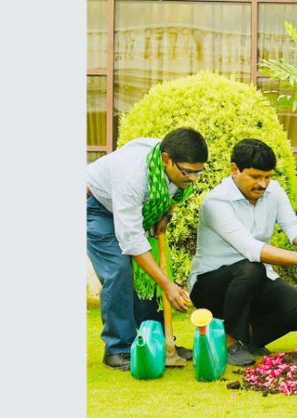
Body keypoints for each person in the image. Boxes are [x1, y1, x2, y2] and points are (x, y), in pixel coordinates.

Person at [188, 139, 297, 366]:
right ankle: (232, 342)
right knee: (251, 268)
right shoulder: (216, 202)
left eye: (268, 177)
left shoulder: (274, 191)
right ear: (235, 170)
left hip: (255, 277)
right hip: (210, 286)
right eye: (255, 177)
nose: (263, 184)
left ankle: (241, 338)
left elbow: (293, 227)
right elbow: (251, 249)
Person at [86, 127, 208, 370]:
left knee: (148, 274)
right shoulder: (132, 177)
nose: (193, 178)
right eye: (187, 172)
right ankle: (118, 349)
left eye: (198, 173)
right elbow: (131, 240)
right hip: (97, 207)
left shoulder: (174, 164)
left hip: (131, 211)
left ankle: (158, 341)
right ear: (166, 160)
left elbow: (175, 194)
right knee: (119, 271)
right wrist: (168, 285)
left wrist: (165, 214)